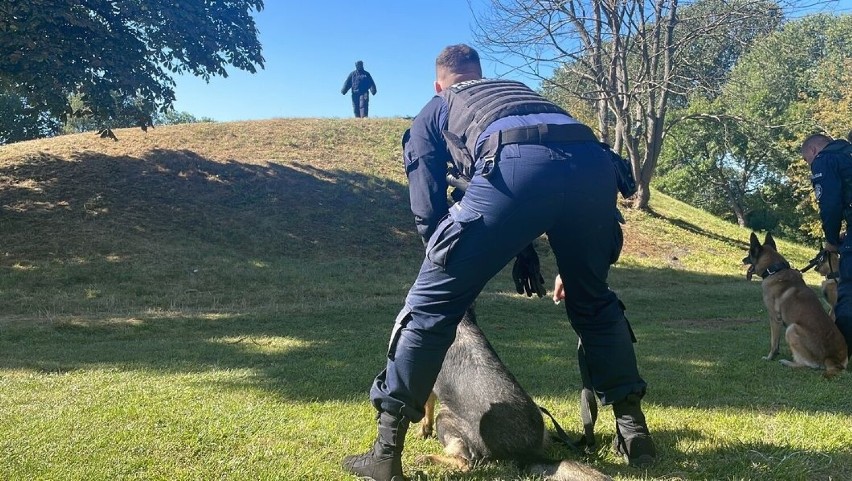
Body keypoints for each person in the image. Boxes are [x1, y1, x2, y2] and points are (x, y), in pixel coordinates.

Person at [341, 44, 655, 481]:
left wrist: (447, 270)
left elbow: (429, 209)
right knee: (594, 301)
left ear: (440, 83)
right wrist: (568, 258)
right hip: (592, 167)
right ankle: (633, 431)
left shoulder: (437, 107)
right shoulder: (521, 92)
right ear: (481, 74)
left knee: (428, 310)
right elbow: (558, 164)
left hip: (515, 165)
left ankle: (385, 452)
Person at [801, 132, 852, 359]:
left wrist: (832, 239)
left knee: (848, 292)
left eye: (808, 162)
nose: (811, 166)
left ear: (813, 151)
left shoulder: (825, 160)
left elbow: (830, 205)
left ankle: (841, 354)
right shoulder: (847, 156)